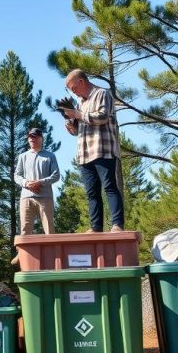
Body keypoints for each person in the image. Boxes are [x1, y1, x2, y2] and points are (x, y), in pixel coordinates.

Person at [61, 69, 125, 232]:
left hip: (103, 149)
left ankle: (117, 224)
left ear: (81, 81)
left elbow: (102, 117)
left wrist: (78, 114)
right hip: (84, 154)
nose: (72, 91)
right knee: (92, 193)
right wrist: (72, 125)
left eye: (73, 87)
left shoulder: (102, 94)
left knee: (110, 187)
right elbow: (80, 128)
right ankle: (95, 227)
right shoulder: (80, 103)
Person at [13, 127, 61, 235]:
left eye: (34, 137)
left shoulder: (50, 156)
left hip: (45, 197)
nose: (31, 139)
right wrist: (27, 183)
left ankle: (52, 251)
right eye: (30, 137)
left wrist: (40, 182)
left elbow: (56, 175)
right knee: (25, 230)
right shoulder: (23, 156)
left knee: (49, 230)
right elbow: (17, 175)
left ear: (41, 138)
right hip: (26, 197)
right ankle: (25, 252)